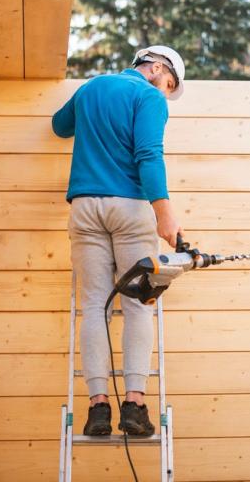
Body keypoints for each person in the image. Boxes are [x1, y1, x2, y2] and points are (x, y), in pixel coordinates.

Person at [51, 46, 186, 437]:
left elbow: (60, 127)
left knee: (94, 307)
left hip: (85, 208)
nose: (166, 91)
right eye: (169, 83)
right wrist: (165, 215)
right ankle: (134, 406)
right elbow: (148, 155)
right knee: (138, 305)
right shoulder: (148, 98)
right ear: (156, 67)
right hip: (129, 209)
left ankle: (97, 410)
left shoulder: (93, 88)